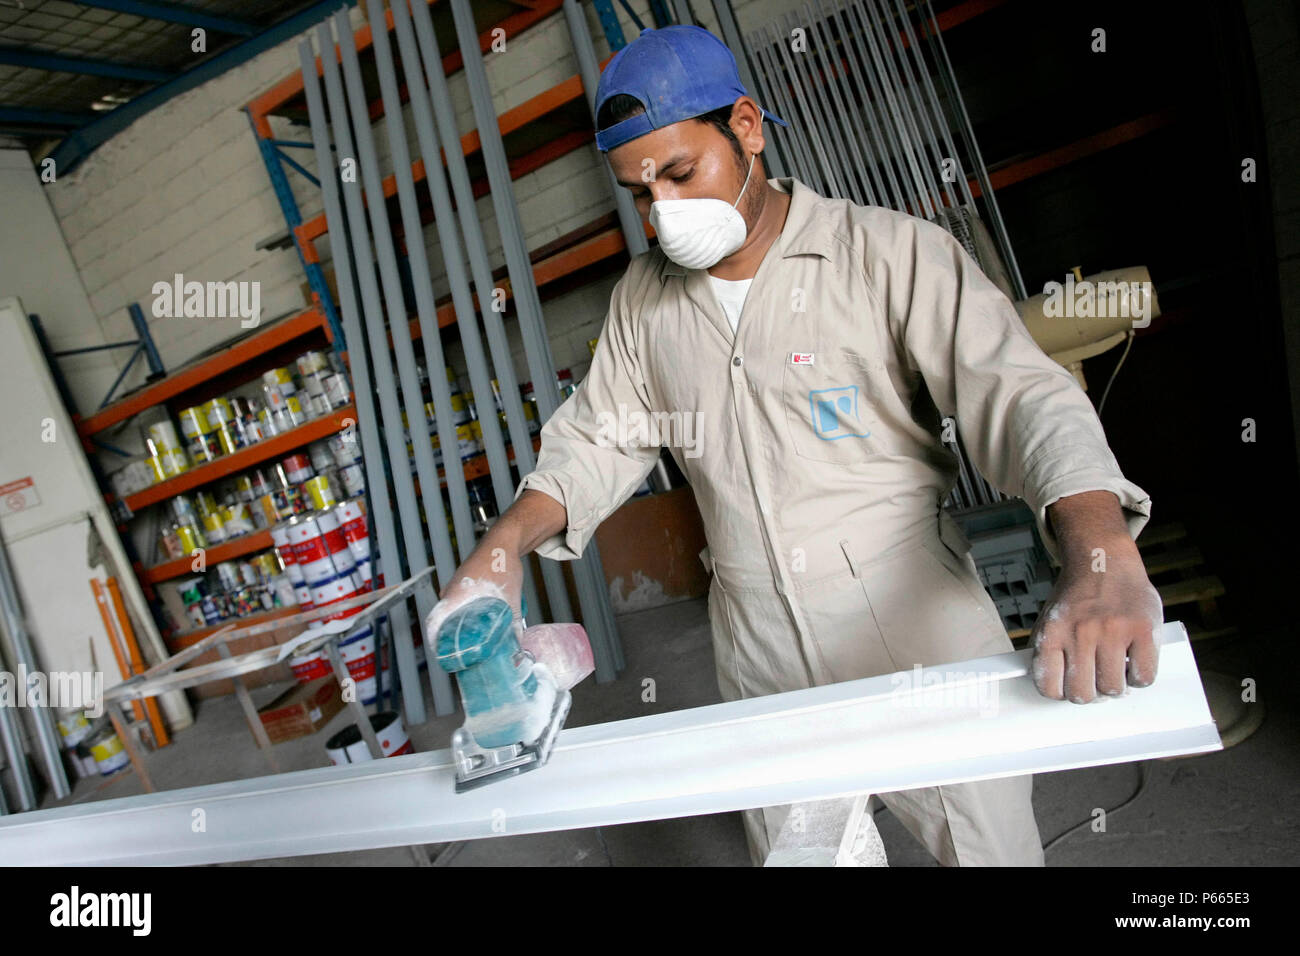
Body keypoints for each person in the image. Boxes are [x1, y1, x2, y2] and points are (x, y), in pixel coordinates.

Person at [431, 25, 1163, 866]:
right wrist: (502, 545)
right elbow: (595, 438)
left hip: (910, 621)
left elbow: (1018, 396)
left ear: (746, 126)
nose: (663, 212)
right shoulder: (644, 301)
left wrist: (1099, 551)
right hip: (759, 650)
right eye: (638, 192)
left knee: (985, 850)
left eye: (679, 173)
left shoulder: (888, 254)